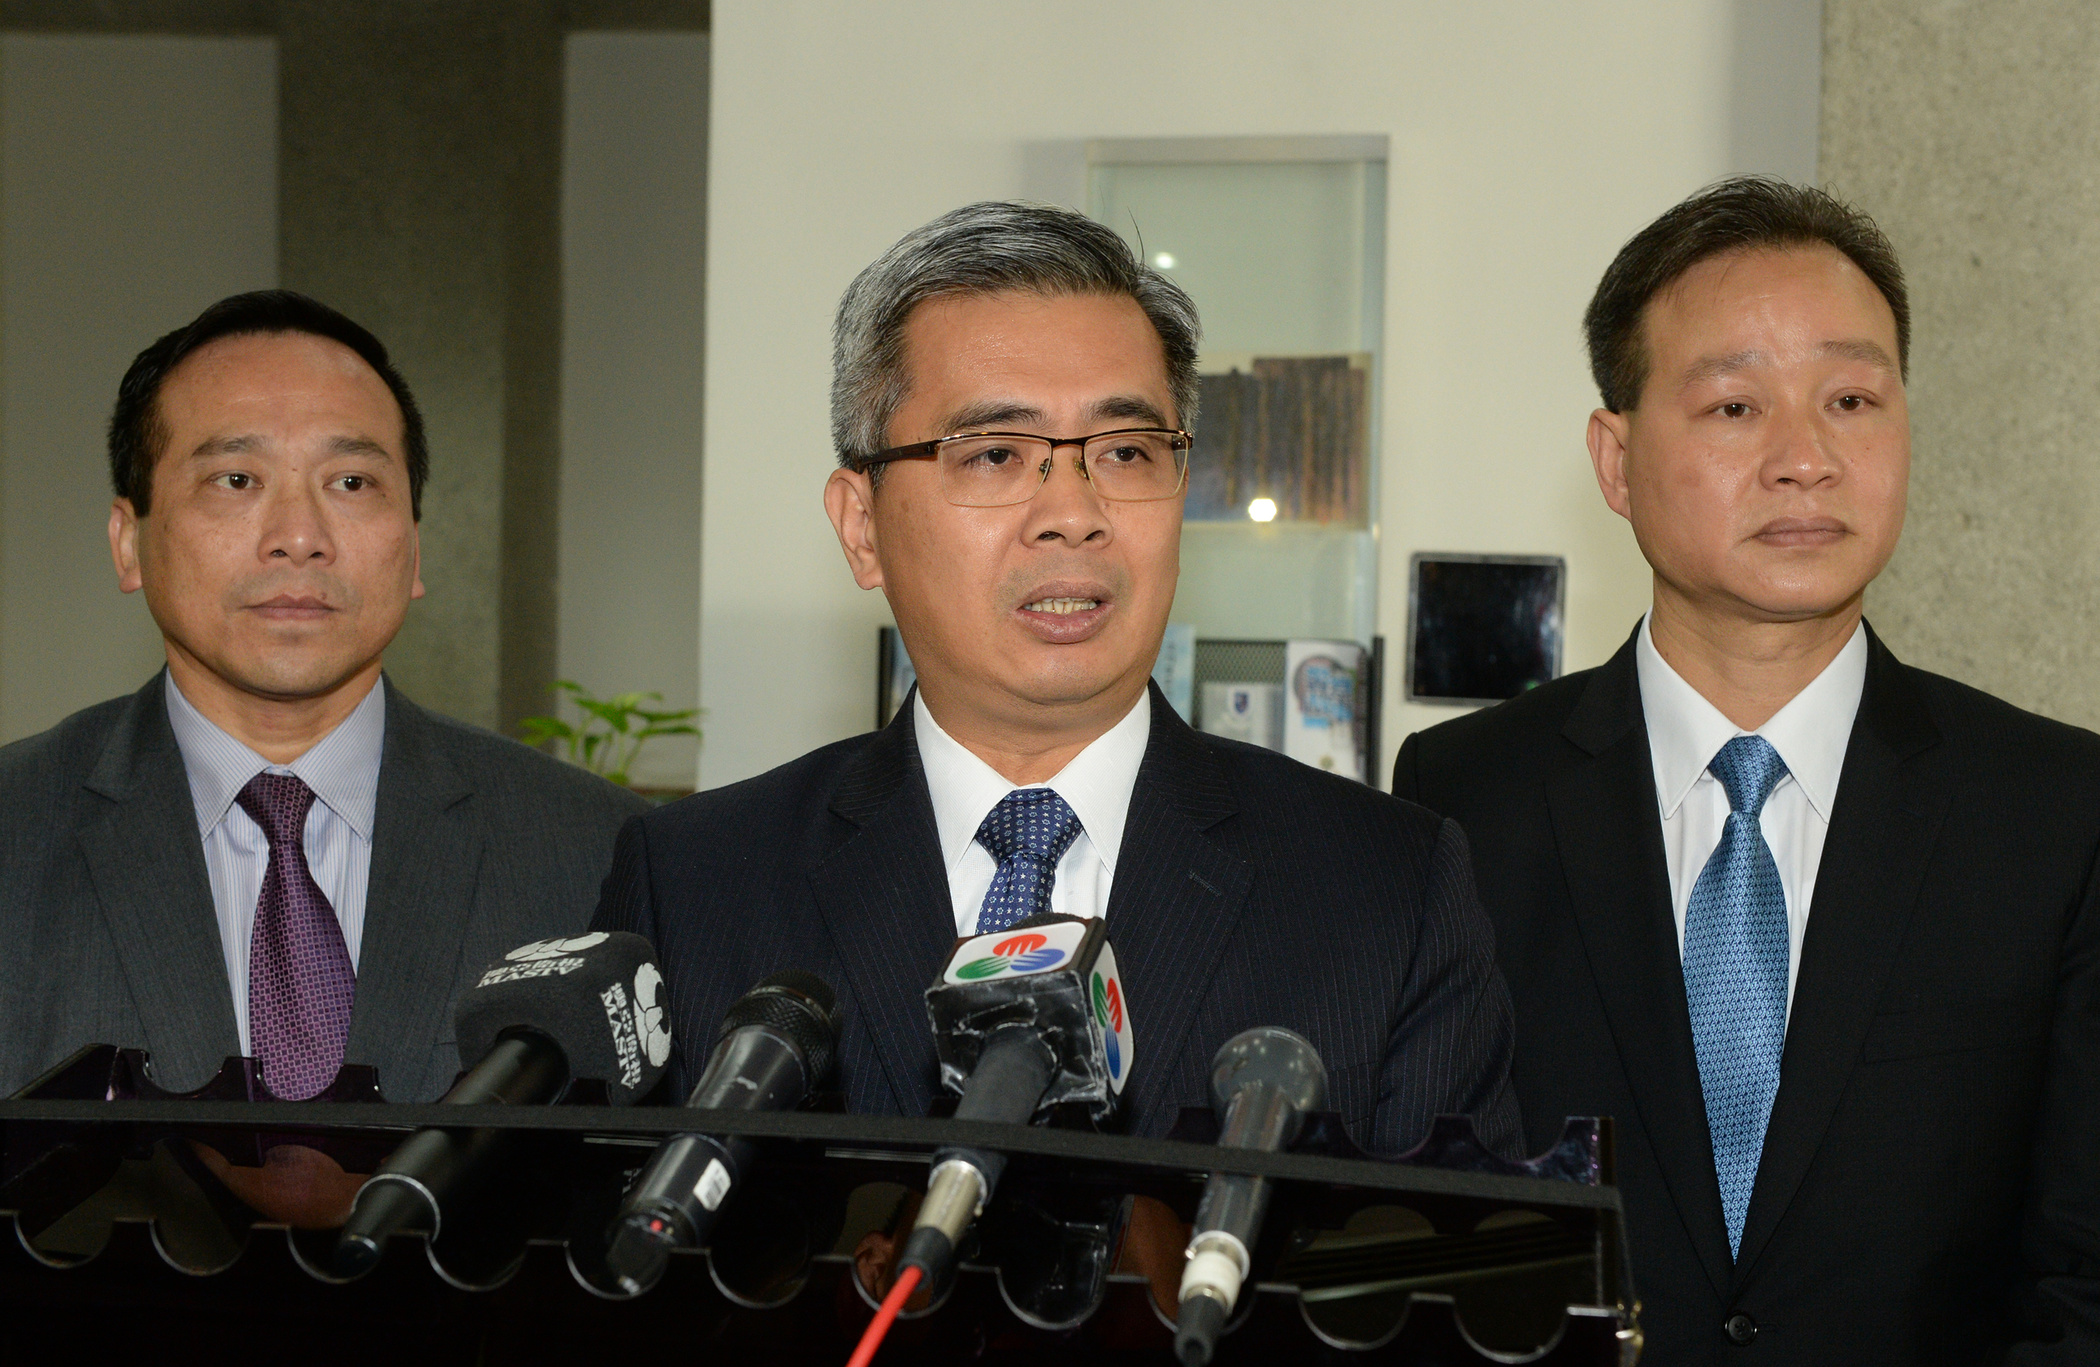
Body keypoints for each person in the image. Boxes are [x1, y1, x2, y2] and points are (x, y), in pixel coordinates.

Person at [594, 202, 1521, 1156]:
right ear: (862, 527)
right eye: (996, 454)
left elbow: (1434, 1247)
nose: (1074, 514)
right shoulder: (695, 884)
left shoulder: (1387, 886)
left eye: (1125, 452)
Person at [1394, 177, 2100, 1367]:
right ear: (1617, 459)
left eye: (1851, 400)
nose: (1805, 458)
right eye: (1734, 404)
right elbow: (1427, 1239)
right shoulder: (1465, 796)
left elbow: (2084, 1283)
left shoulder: (2056, 811)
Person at [0, 290, 646, 1104]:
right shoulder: (17, 830)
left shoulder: (596, 853)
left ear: (414, 549)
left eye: (351, 481)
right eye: (236, 479)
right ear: (129, 542)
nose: (299, 535)